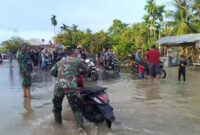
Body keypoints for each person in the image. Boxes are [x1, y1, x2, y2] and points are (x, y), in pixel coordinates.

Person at [50, 49, 86, 124]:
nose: (77, 53)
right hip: (71, 86)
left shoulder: (59, 61)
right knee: (76, 106)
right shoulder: (77, 60)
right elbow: (86, 69)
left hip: (59, 86)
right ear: (73, 53)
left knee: (57, 105)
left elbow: (52, 72)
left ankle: (58, 125)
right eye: (76, 52)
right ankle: (80, 127)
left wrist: (61, 75)